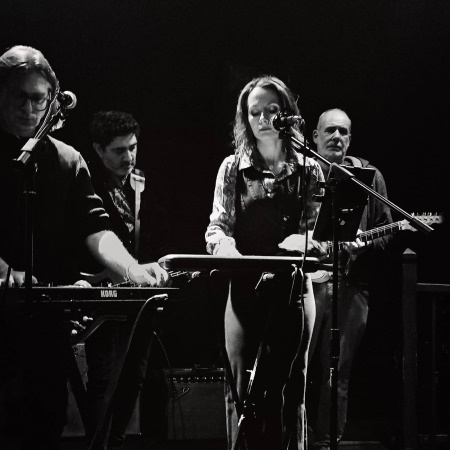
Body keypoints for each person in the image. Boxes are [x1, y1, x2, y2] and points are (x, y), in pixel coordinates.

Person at [0, 45, 168, 450]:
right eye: (19, 97)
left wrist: (131, 269)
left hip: (43, 322)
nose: (29, 108)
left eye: (38, 98)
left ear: (52, 100)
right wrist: (4, 270)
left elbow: (96, 229)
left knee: (46, 417)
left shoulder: (67, 160)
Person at [205, 75, 326, 450]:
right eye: (254, 112)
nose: (262, 119)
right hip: (245, 290)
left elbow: (317, 232)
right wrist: (227, 250)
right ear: (245, 118)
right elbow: (217, 227)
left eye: (271, 110)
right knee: (241, 389)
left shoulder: (310, 169)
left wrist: (306, 240)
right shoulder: (232, 167)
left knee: (291, 385)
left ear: (286, 114)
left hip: (293, 289)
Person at [306, 108, 393, 449]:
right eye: (330, 130)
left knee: (338, 374)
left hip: (352, 285)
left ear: (351, 138)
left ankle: (328, 442)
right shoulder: (304, 173)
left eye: (343, 132)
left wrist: (365, 244)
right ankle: (295, 439)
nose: (337, 137)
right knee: (300, 368)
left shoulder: (369, 176)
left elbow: (387, 230)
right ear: (315, 136)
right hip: (308, 284)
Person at [83, 110, 168, 449]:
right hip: (101, 293)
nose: (129, 157)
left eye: (133, 148)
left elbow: (150, 235)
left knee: (135, 377)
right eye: (119, 150)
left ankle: (115, 441)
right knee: (104, 378)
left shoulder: (140, 181)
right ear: (98, 149)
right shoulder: (87, 182)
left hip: (137, 296)